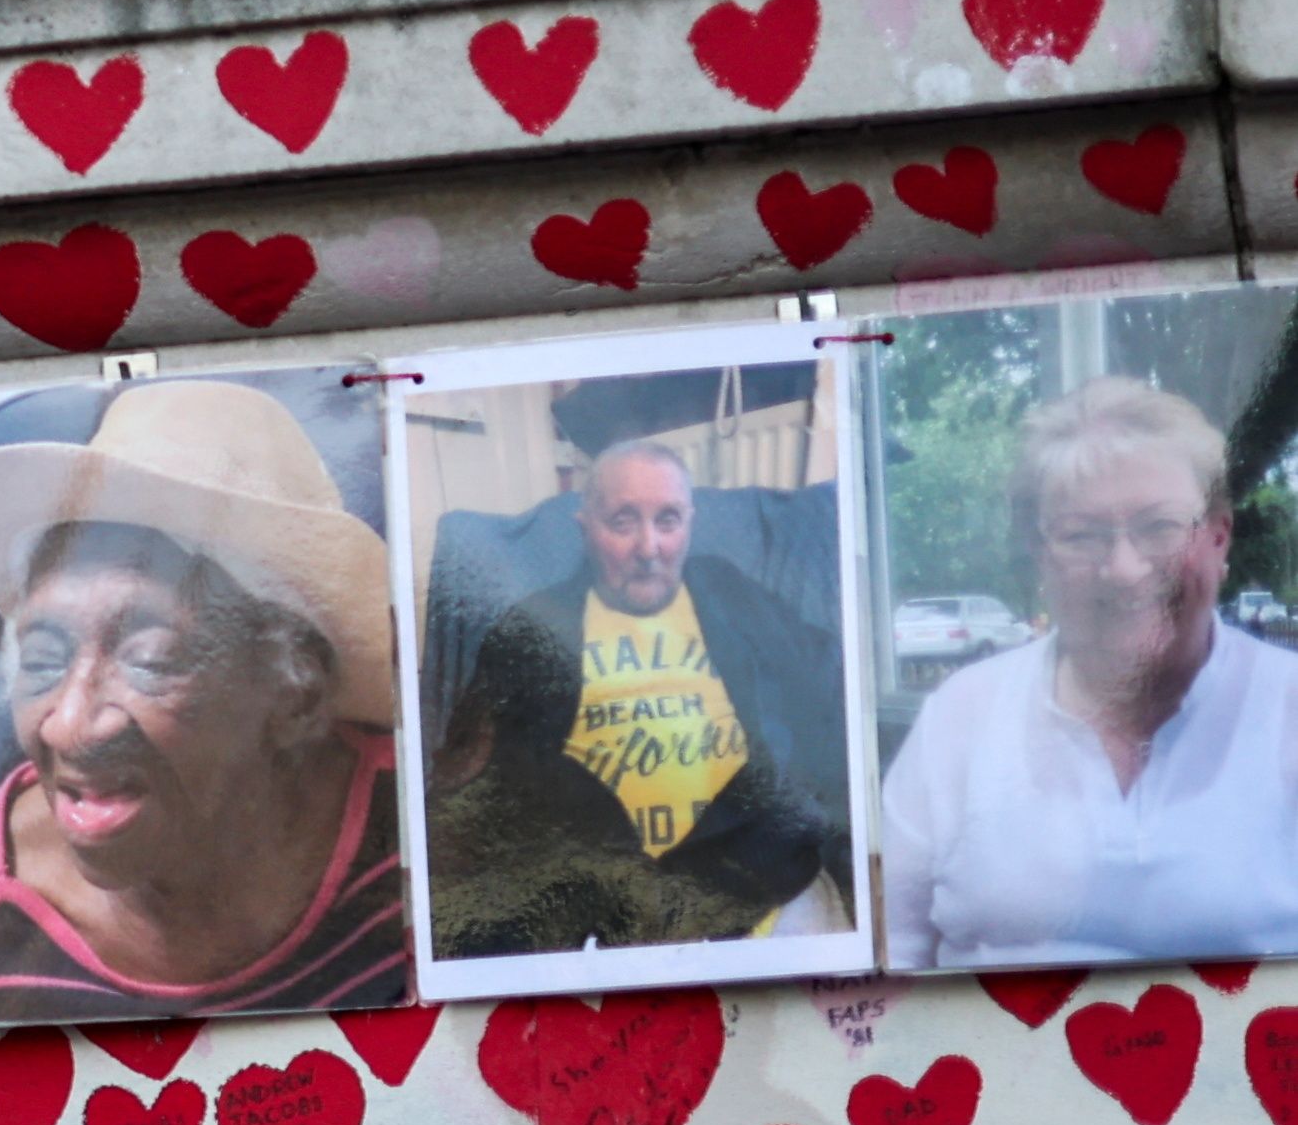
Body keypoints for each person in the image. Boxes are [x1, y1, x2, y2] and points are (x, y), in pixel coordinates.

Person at [0, 383, 416, 1020]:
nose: (71, 727)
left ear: (296, 696)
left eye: (150, 661)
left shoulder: (418, 844)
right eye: (44, 660)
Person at [882, 375, 1298, 968]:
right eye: (1082, 535)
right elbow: (892, 959)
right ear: (1038, 550)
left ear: (1217, 536)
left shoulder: (1288, 707)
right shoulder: (963, 715)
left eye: (1159, 528)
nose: (1124, 569)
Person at [429, 436, 852, 956]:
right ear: (586, 528)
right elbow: (482, 781)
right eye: (624, 522)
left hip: (757, 879)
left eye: (668, 520)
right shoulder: (532, 627)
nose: (649, 548)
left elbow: (827, 674)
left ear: (689, 525)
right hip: (610, 910)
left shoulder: (728, 593)